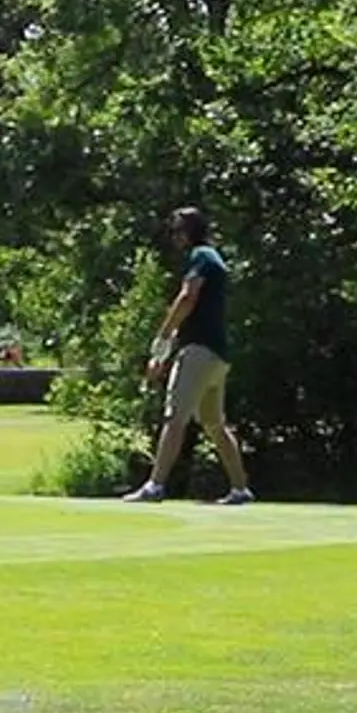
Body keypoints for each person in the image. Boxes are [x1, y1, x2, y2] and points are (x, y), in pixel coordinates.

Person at [124, 207, 253, 505]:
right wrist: (165, 351)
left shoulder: (201, 256)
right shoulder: (212, 256)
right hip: (216, 355)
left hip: (199, 352)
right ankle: (240, 489)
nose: (175, 237)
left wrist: (162, 337)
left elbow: (187, 298)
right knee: (214, 423)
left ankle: (155, 486)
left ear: (188, 232)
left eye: (177, 231)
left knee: (175, 417)